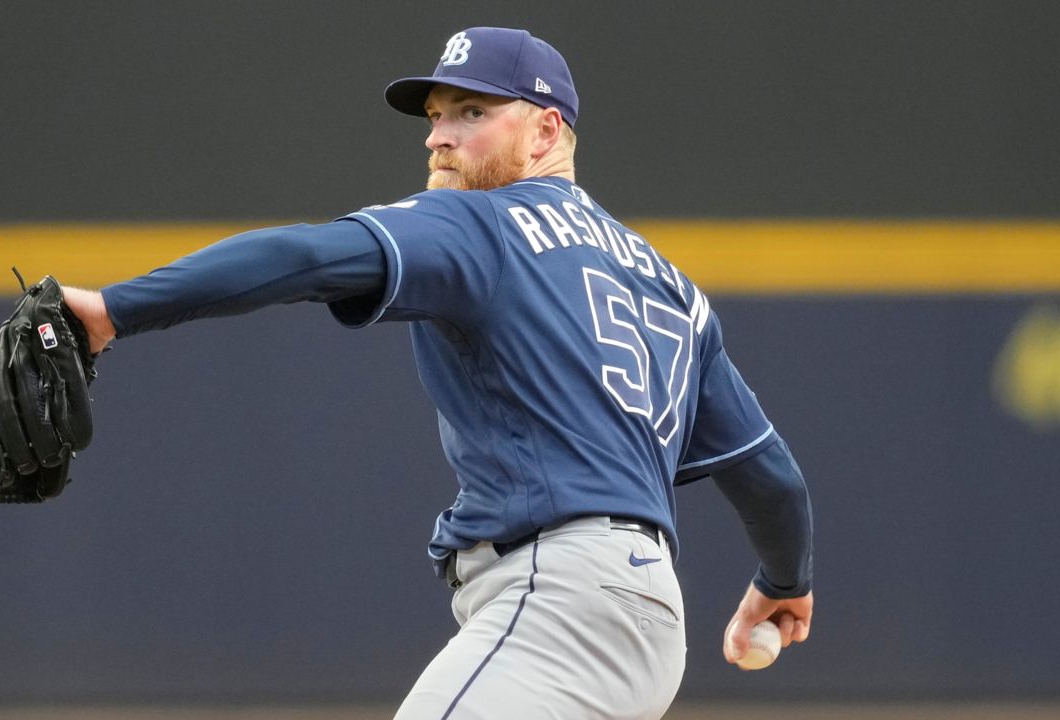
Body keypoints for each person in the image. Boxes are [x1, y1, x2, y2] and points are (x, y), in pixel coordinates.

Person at [61, 26, 813, 720]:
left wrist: (112, 310)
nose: (439, 137)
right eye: (434, 115)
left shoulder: (478, 223)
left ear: (546, 128)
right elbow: (770, 476)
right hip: (648, 619)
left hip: (562, 601)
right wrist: (784, 583)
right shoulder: (673, 288)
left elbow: (306, 257)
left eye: (470, 112)